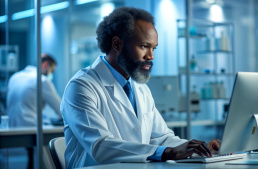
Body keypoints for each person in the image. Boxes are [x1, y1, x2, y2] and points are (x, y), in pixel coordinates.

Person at [61, 7, 221, 169]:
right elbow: (100, 146)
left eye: (153, 48)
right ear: (117, 44)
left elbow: (162, 138)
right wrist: (167, 153)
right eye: (144, 46)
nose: (151, 56)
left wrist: (198, 149)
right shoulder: (82, 86)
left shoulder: (139, 88)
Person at [6, 53, 62, 169]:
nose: (51, 74)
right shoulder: (42, 80)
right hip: (30, 128)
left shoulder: (15, 77)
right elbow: (61, 109)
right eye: (51, 70)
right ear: (46, 64)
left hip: (12, 129)